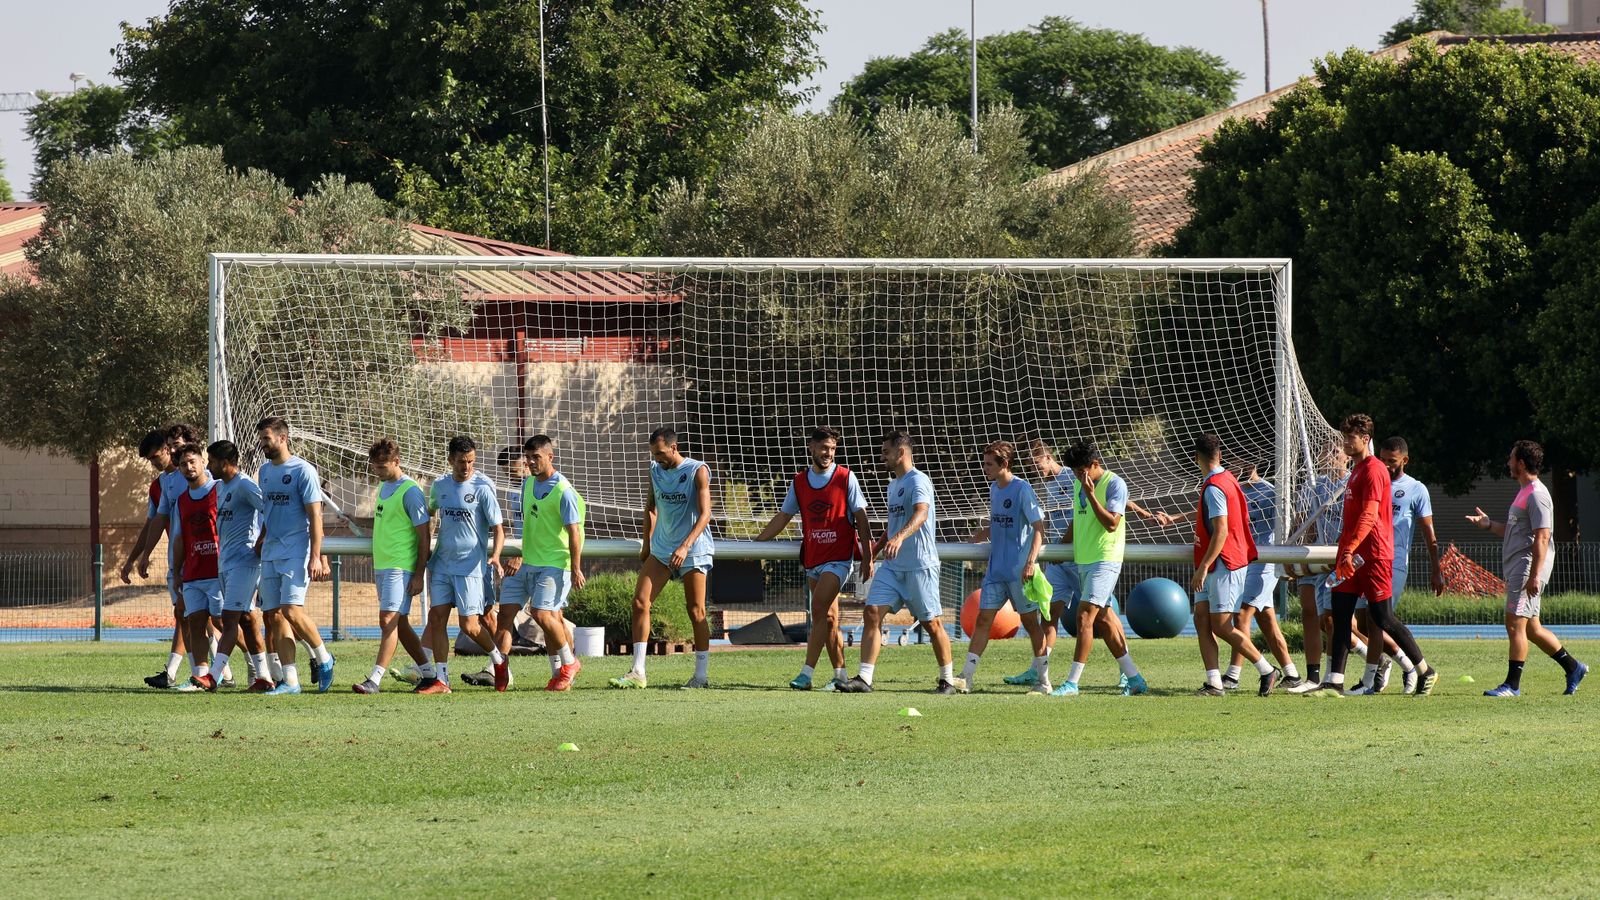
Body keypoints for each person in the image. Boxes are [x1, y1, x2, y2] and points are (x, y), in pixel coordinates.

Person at [1318, 414, 1436, 696]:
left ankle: (1424, 670)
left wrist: (1350, 546)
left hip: (1374, 556)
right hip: (1351, 556)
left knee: (1381, 619)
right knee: (1340, 614)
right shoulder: (1356, 470)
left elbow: (1370, 515)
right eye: (1344, 437)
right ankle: (1334, 682)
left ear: (1365, 439)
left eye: (1351, 438)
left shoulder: (1373, 470)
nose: (1345, 442)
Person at [837, 430, 959, 695]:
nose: (883, 457)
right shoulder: (893, 485)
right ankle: (865, 679)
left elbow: (921, 513)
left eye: (886, 452)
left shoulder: (919, 481)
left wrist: (901, 537)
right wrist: (874, 553)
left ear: (900, 453)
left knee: (932, 623)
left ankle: (948, 681)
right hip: (893, 567)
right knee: (871, 613)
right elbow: (893, 527)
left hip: (920, 566)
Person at [753, 426, 873, 692]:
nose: (828, 453)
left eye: (832, 448)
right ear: (811, 448)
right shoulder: (799, 482)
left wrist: (867, 556)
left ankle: (806, 674)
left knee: (817, 609)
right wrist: (756, 544)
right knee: (828, 618)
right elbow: (783, 517)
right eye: (823, 448)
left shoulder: (845, 478)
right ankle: (841, 676)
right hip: (813, 559)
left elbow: (862, 519)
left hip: (839, 559)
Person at [1467, 440, 1588, 696]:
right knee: (1532, 628)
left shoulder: (1537, 494)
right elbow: (1514, 531)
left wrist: (1534, 576)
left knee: (1514, 623)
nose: (1508, 463)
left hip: (1527, 569)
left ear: (1521, 463)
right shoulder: (1524, 492)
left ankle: (1512, 685)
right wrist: (1488, 524)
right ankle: (1574, 667)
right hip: (1519, 568)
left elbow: (1543, 537)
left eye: (1511, 459)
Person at [611, 428, 715, 690]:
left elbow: (705, 515)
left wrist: (684, 546)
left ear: (673, 447)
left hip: (693, 549)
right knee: (639, 602)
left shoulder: (697, 470)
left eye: (660, 453)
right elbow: (651, 507)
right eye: (653, 454)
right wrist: (647, 544)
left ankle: (701, 677)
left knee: (696, 611)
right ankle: (638, 671)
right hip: (661, 549)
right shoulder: (655, 470)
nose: (657, 458)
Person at [1052, 439, 1148, 696]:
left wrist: (1092, 494)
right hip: (1084, 559)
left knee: (1084, 618)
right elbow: (1077, 518)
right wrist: (1061, 548)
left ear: (1095, 464)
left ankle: (1072, 683)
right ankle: (1135, 678)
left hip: (1105, 559)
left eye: (1080, 470)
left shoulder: (1115, 484)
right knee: (1104, 620)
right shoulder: (1077, 484)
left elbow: (1112, 524)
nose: (1076, 475)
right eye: (1073, 471)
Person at [1185, 436, 1280, 696]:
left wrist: (1204, 566)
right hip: (1217, 561)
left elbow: (1222, 530)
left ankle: (1267, 669)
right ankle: (1214, 682)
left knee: (1223, 625)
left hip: (1223, 563)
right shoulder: (1227, 479)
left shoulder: (1216, 486)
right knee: (1201, 619)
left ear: (1196, 457)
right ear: (1220, 454)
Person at [497, 434, 587, 692]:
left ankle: (569, 664)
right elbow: (531, 526)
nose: (531, 462)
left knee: (543, 614)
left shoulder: (564, 491)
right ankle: (500, 668)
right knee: (507, 614)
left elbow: (574, 532)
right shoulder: (526, 486)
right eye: (528, 458)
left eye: (536, 457)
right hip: (528, 563)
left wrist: (576, 567)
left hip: (555, 563)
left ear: (550, 456)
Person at [417, 435, 507, 694]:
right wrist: (427, 547)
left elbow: (498, 529)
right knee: (437, 619)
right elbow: (431, 515)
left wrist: (496, 556)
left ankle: (499, 661)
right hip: (442, 564)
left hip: (470, 568)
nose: (466, 467)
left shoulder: (482, 488)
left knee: (469, 625)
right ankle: (442, 679)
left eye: (470, 461)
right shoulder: (440, 486)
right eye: (460, 462)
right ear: (450, 460)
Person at [255, 416, 336, 695]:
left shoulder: (303, 471)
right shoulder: (264, 472)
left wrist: (316, 556)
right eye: (261, 438)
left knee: (292, 610)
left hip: (296, 551)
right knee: (275, 616)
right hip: (271, 551)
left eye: (266, 438)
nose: (262, 444)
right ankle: (290, 681)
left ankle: (324, 658)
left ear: (282, 438)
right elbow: (268, 511)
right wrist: (261, 540)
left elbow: (315, 516)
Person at [961, 441, 1050, 693]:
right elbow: (1000, 524)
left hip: (1019, 573)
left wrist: (1030, 563)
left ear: (1005, 464)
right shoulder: (993, 489)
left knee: (1031, 623)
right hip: (995, 571)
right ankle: (966, 677)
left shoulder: (1022, 489)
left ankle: (1044, 681)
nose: (984, 468)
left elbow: (1038, 530)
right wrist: (981, 534)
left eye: (989, 464)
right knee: (982, 621)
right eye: (984, 462)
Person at [353, 438, 432, 694]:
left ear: (396, 462)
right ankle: (430, 674)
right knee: (400, 623)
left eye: (381, 467)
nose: (377, 471)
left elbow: (424, 535)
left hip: (401, 566)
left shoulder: (410, 491)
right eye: (374, 467)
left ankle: (374, 680)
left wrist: (419, 573)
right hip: (384, 566)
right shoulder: (384, 487)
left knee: (387, 620)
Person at [1224, 461, 1302, 690]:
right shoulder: (1234, 489)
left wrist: (1287, 560)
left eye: (1239, 461)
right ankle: (1292, 674)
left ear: (1252, 462)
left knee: (1241, 616)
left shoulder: (1269, 492)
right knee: (1267, 621)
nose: (1234, 465)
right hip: (1245, 560)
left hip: (1265, 561)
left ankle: (1232, 677)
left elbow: (1287, 525)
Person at [204, 440, 272, 692]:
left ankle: (213, 676)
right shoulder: (220, 487)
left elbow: (269, 509)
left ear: (224, 462)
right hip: (226, 562)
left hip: (245, 561)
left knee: (228, 617)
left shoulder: (244, 485)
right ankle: (264, 678)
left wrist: (262, 539)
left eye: (211, 461)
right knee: (245, 618)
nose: (209, 467)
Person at [172, 445, 223, 690]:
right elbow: (179, 539)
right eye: (183, 464)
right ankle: (200, 676)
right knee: (195, 623)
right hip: (193, 572)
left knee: (225, 623)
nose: (189, 467)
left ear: (203, 462)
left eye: (192, 461)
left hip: (218, 571)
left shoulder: (219, 490)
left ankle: (257, 667)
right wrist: (176, 571)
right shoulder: (181, 501)